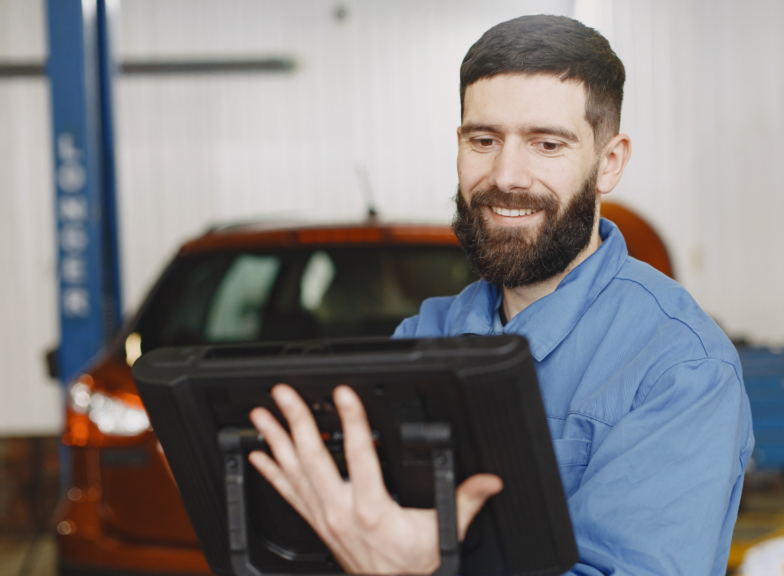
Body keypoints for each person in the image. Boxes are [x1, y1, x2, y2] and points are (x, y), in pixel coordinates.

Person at [247, 15, 753, 575]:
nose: (507, 175)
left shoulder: (678, 367)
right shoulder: (420, 338)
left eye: (546, 143)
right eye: (483, 140)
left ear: (608, 162)